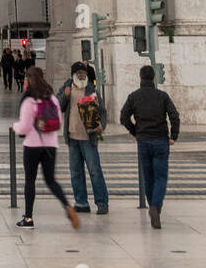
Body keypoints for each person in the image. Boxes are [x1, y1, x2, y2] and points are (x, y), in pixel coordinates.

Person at [12, 66, 78, 231]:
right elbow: (58, 122)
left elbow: (25, 127)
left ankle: (28, 217)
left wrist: (15, 127)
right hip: (50, 145)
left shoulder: (29, 101)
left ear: (29, 81)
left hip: (32, 146)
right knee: (50, 180)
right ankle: (67, 206)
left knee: (30, 181)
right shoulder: (53, 99)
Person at [120, 65, 180, 230]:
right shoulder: (162, 96)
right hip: (161, 140)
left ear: (140, 78)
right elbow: (174, 116)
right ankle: (156, 207)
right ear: (154, 78)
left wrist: (135, 131)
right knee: (161, 177)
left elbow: (123, 117)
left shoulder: (134, 96)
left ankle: (153, 206)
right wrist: (173, 136)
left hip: (144, 141)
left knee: (148, 177)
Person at [59, 62, 108, 215]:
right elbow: (57, 107)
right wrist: (64, 96)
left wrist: (101, 125)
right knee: (75, 172)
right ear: (73, 74)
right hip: (72, 136)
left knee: (94, 170)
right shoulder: (67, 88)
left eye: (83, 72)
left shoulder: (91, 89)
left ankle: (101, 202)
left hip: (89, 137)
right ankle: (81, 202)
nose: (81, 75)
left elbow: (102, 111)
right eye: (78, 72)